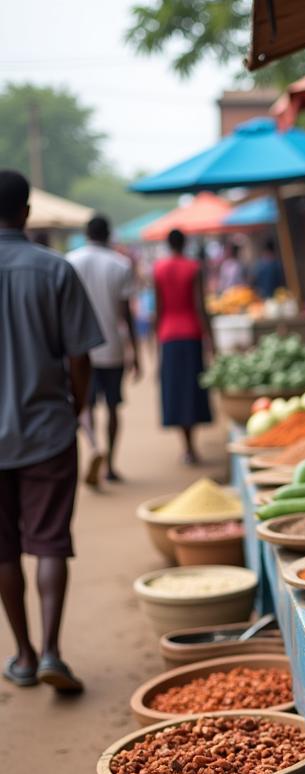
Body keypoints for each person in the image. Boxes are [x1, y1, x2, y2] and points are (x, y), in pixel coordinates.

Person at [0, 169, 104, 692]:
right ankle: (51, 653)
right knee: (48, 545)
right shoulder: (54, 270)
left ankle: (19, 653)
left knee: (3, 552)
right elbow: (81, 355)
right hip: (47, 431)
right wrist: (77, 405)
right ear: (26, 213)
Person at [67, 215, 139, 484]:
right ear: (108, 234)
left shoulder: (70, 261)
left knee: (85, 404)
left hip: (80, 348)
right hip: (112, 348)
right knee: (112, 407)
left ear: (86, 233)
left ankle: (94, 444)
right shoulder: (120, 264)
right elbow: (126, 314)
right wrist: (136, 352)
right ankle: (110, 464)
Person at [152, 229, 212, 464]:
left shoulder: (159, 269)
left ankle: (185, 445)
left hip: (169, 335)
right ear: (185, 243)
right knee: (192, 390)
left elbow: (158, 310)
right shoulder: (193, 267)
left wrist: (154, 343)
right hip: (191, 333)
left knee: (176, 391)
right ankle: (191, 445)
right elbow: (200, 306)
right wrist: (211, 339)